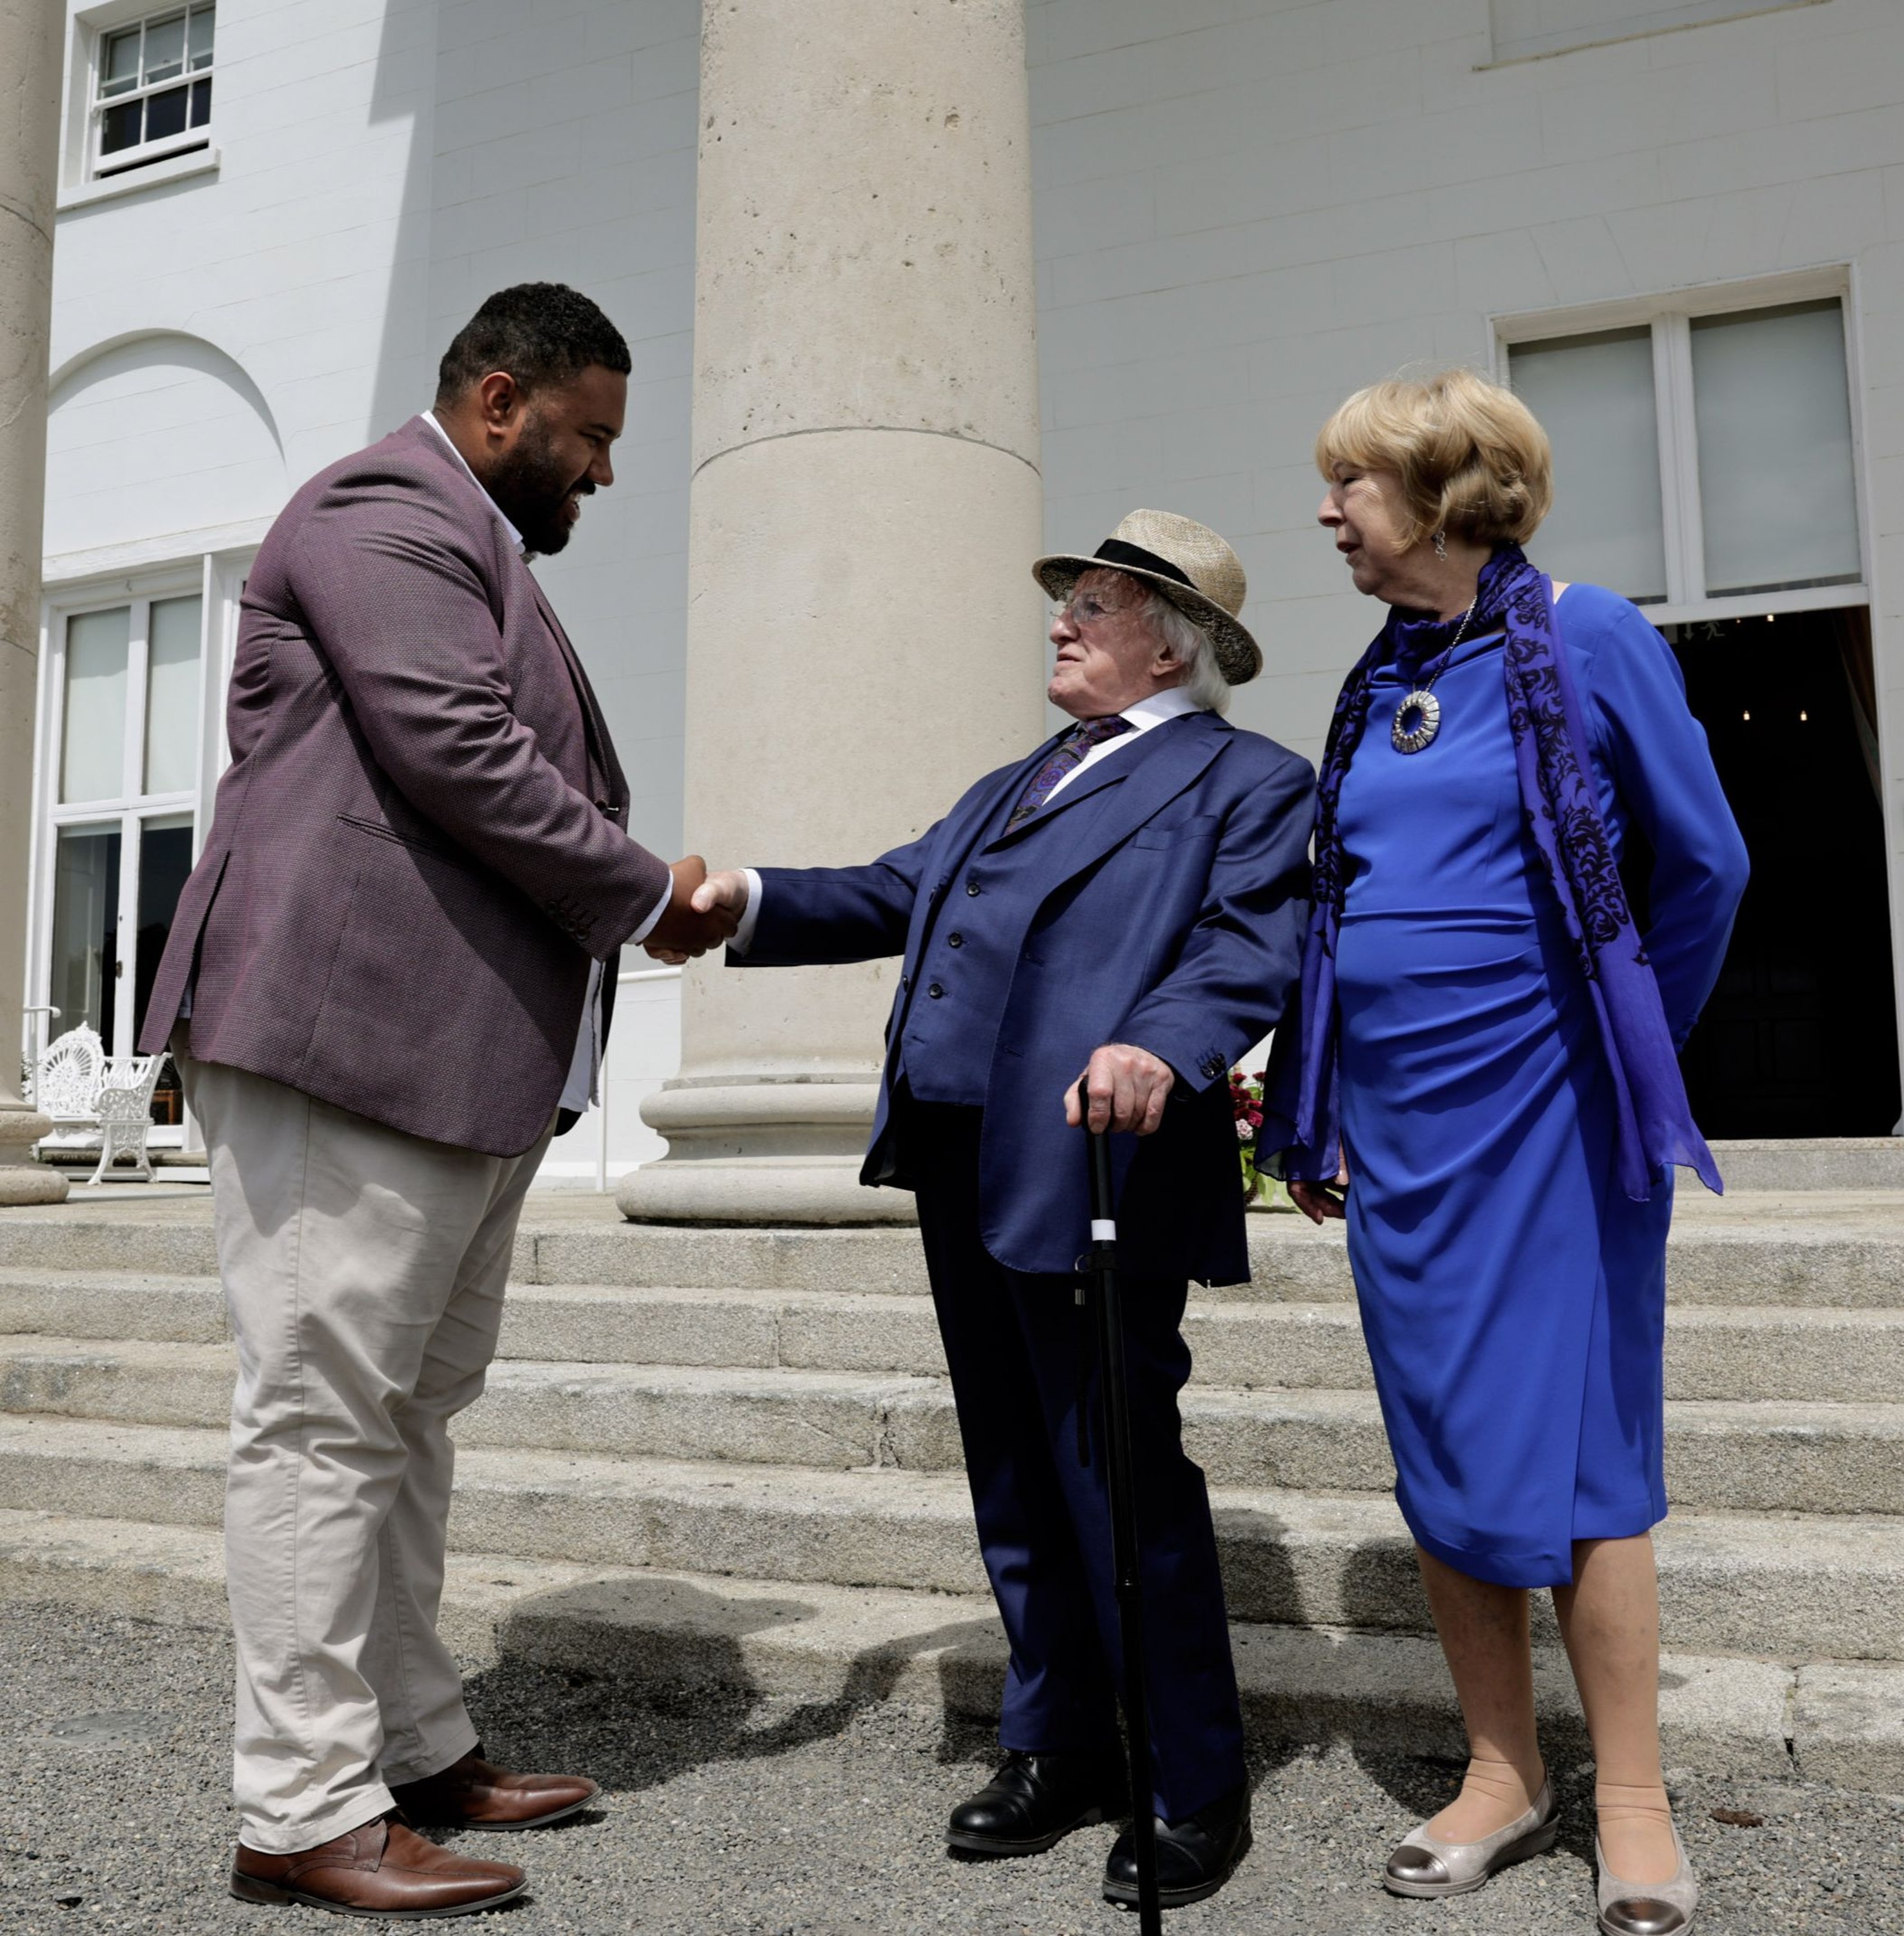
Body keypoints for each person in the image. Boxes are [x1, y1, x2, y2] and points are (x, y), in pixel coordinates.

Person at [137, 282, 737, 1918]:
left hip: (443, 1059)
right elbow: (453, 744)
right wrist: (643, 892)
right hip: (345, 1037)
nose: (603, 471)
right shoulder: (384, 507)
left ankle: (410, 1748)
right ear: (498, 403)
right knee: (323, 1419)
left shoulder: (466, 538)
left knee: (404, 1416)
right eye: (589, 436)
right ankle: (299, 1808)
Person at [679, 512, 1314, 1910]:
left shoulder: (1248, 781)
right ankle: (1059, 1741)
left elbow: (1248, 943)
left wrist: (1162, 1043)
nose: (1063, 620)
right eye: (1068, 598)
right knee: (1013, 1463)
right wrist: (743, 899)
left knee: (1116, 1469)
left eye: (1095, 602)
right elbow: (894, 891)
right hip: (963, 1158)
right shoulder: (1017, 779)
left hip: (1099, 1160)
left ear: (1173, 645)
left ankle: (1190, 1780)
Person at [1259, 369, 1748, 1936]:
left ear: (1443, 491)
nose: (1328, 513)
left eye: (1350, 484)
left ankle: (1633, 1799)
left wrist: (1628, 1044)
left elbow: (1707, 865)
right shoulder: (1381, 678)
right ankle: (1500, 1770)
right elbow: (1346, 900)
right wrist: (1316, 1093)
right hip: (1401, 1133)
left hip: (1551, 1115)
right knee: (1443, 1445)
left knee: (1590, 1451)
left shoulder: (1586, 633)